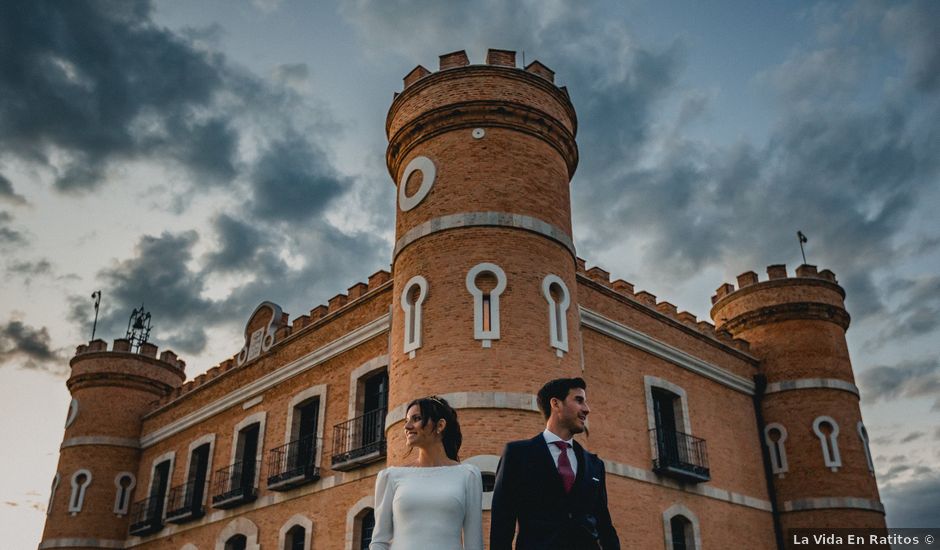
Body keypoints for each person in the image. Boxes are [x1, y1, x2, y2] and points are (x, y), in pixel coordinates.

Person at [490, 377, 621, 550]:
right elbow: (502, 523)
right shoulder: (517, 454)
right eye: (579, 400)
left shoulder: (595, 465)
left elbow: (605, 526)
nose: (587, 409)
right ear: (555, 403)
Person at [370, 396, 483, 550]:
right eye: (406, 421)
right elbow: (379, 542)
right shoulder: (390, 476)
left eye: (416, 419)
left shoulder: (468, 475)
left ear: (440, 425)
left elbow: (474, 544)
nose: (407, 426)